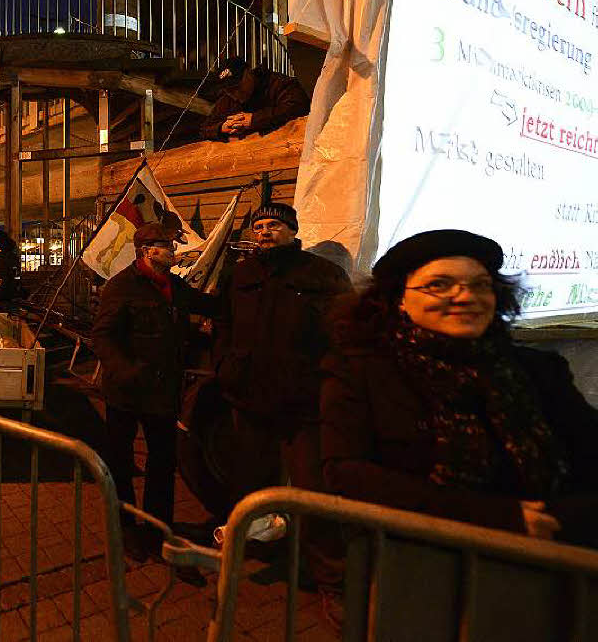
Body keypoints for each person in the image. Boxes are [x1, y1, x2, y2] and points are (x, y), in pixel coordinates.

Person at [321, 229, 598, 547]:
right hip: (418, 563)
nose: (466, 297)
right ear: (398, 299)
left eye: (481, 285)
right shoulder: (361, 371)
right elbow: (348, 474)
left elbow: (589, 451)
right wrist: (498, 518)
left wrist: (563, 519)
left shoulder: (538, 369)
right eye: (439, 285)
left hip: (555, 561)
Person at [215, 202, 352, 591]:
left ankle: (330, 576)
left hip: (302, 403)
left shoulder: (322, 274)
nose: (264, 231)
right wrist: (225, 363)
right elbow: (223, 322)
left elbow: (342, 332)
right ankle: (262, 549)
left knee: (312, 491)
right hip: (252, 399)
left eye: (273, 224)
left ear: (292, 230)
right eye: (258, 226)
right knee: (253, 483)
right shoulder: (242, 274)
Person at [92, 221, 218, 578]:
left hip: (162, 394)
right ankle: (128, 527)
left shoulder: (173, 287)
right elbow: (102, 335)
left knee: (162, 465)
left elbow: (207, 305)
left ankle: (157, 529)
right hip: (126, 394)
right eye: (166, 245)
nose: (172, 251)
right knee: (120, 462)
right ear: (147, 250)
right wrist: (126, 371)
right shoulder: (122, 287)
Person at [200, 56, 310, 140]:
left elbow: (298, 106)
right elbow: (205, 128)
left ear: (248, 72)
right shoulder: (228, 98)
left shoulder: (277, 83)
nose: (236, 93)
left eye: (238, 86)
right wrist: (221, 128)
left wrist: (255, 119)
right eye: (230, 90)